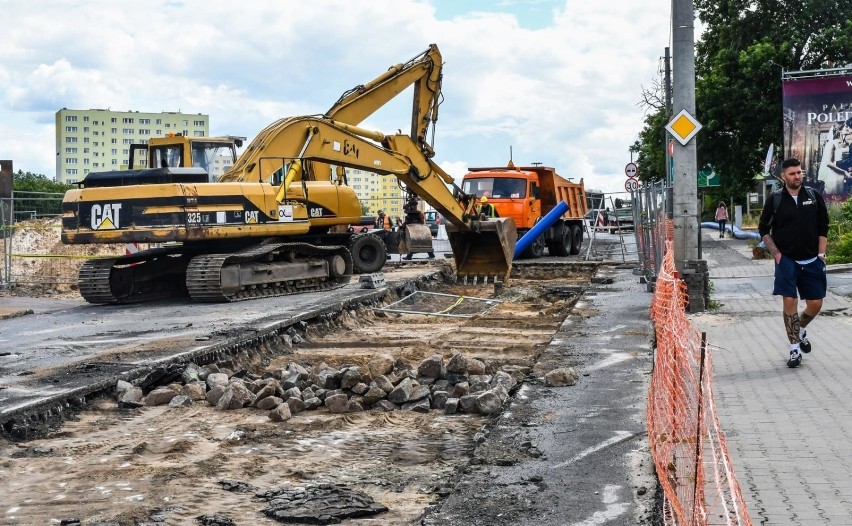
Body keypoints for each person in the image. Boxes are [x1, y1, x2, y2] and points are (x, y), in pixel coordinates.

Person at [758, 158, 829, 368]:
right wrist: (777, 254)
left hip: (812, 259)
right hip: (787, 260)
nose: (797, 176)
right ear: (783, 177)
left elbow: (823, 226)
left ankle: (800, 329)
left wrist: (821, 253)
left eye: (799, 172)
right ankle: (794, 350)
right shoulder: (776, 199)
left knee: (816, 304)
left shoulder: (814, 196)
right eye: (792, 173)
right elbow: (763, 229)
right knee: (789, 301)